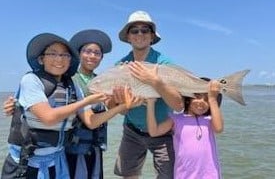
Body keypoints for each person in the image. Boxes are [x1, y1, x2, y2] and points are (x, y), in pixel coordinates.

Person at [1, 33, 140, 179]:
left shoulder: (75, 86)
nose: (59, 59)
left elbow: (92, 121)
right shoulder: (33, 79)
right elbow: (46, 117)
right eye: (53, 54)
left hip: (60, 158)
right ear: (41, 59)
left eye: (64, 55)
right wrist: (86, 101)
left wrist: (122, 106)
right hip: (31, 160)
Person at [113, 10, 184, 179]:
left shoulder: (164, 63)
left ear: (152, 36)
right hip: (132, 130)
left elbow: (179, 105)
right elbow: (122, 111)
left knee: (168, 176)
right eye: (134, 30)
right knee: (128, 174)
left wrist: (155, 82)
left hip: (162, 132)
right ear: (128, 37)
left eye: (145, 30)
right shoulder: (120, 66)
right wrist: (123, 103)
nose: (140, 34)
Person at [146, 79, 223, 178]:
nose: (201, 102)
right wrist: (150, 104)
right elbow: (154, 131)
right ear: (188, 99)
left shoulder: (209, 120)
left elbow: (219, 128)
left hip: (210, 175)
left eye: (206, 99)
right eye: (198, 97)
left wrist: (213, 99)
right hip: (184, 175)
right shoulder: (176, 119)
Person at [66, 29, 112, 179]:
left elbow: (110, 104)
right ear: (79, 54)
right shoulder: (70, 78)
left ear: (101, 58)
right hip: (74, 149)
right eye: (87, 51)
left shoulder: (103, 80)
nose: (92, 56)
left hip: (95, 147)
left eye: (97, 53)